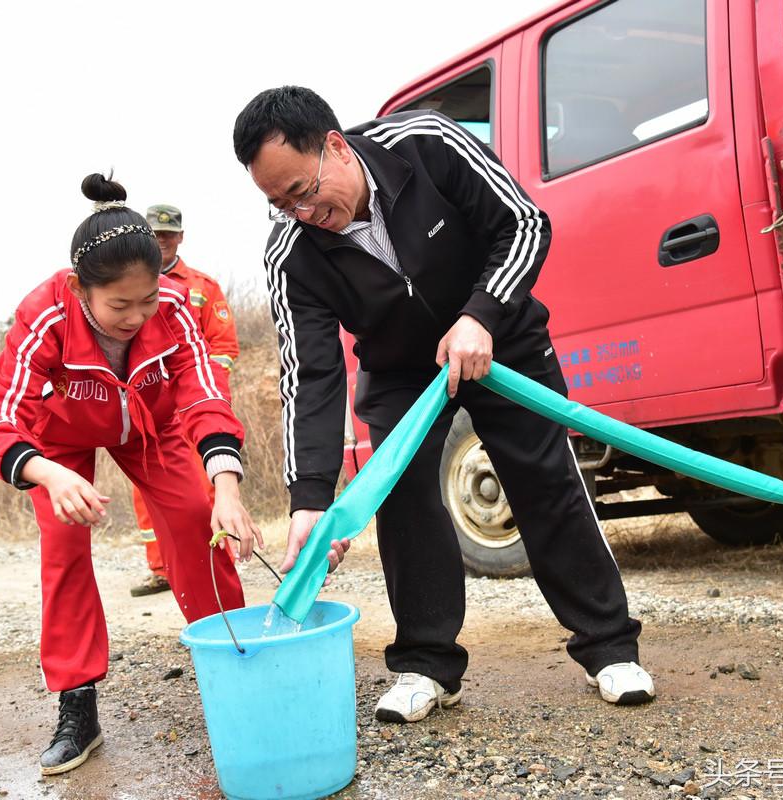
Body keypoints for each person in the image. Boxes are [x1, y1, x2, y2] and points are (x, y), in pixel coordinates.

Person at [233, 86, 654, 724]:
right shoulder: (292, 254)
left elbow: (523, 225)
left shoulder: (427, 145)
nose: (300, 211)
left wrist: (480, 314)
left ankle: (609, 648)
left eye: (303, 189)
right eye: (279, 203)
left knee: (544, 479)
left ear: (336, 148)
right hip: (401, 369)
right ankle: (426, 666)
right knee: (402, 498)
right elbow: (310, 375)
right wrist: (309, 499)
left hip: (500, 332)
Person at [0, 174, 261, 775]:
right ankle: (78, 707)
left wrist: (225, 487)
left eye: (147, 299)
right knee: (65, 544)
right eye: (119, 305)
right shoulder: (44, 314)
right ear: (81, 289)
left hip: (150, 426)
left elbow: (204, 392)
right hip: (61, 440)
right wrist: (46, 474)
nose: (136, 316)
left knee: (191, 520)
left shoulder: (177, 307)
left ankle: (235, 665)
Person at [128, 203, 241, 598]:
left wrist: (203, 395)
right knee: (146, 491)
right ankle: (160, 568)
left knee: (205, 488)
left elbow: (223, 347)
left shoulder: (202, 287)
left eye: (167, 234)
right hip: (147, 408)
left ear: (180, 237)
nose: (161, 241)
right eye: (154, 234)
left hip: (193, 408)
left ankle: (216, 560)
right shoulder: (125, 283)